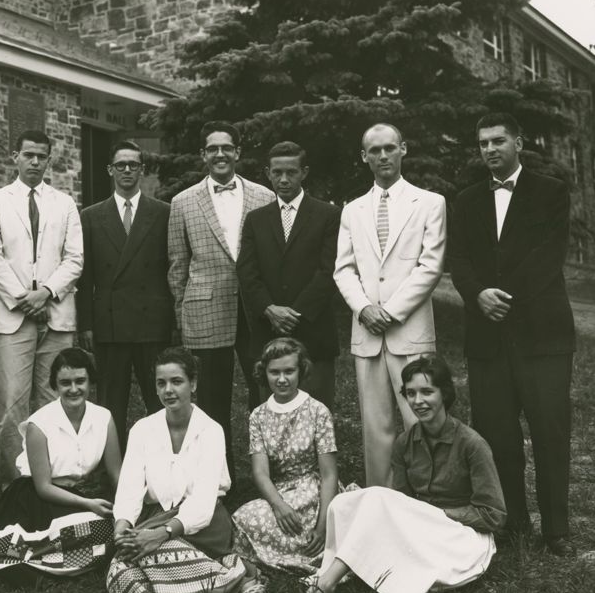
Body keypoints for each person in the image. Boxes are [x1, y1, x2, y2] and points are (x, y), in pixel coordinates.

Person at [448, 113, 575, 556]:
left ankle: (556, 530)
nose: (489, 149)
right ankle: (514, 523)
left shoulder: (551, 192)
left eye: (498, 140)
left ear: (518, 142)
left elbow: (548, 256)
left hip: (542, 336)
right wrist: (478, 294)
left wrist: (505, 296)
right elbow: (458, 258)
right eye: (482, 143)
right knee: (497, 435)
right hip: (487, 339)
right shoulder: (464, 201)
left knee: (550, 432)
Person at [296, 356, 506, 593]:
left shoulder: (472, 444)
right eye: (411, 393)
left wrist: (435, 514)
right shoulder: (404, 444)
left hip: (461, 536)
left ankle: (325, 583)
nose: (418, 401)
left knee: (376, 500)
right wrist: (410, 514)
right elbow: (402, 503)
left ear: (445, 394)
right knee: (342, 503)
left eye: (427, 392)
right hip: (421, 529)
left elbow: (493, 515)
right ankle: (340, 572)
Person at [107, 347, 265, 593]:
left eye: (177, 381)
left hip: (203, 525)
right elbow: (129, 488)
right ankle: (220, 579)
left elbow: (203, 503)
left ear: (192, 384)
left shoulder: (211, 431)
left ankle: (239, 577)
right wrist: (123, 527)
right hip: (156, 515)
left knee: (155, 554)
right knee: (121, 565)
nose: (168, 390)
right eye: (161, 383)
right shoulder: (142, 430)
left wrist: (160, 534)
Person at [333, 122, 446, 488]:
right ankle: (381, 501)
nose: (383, 156)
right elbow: (343, 269)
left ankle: (428, 501)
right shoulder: (352, 210)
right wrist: (364, 308)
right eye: (375, 150)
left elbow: (430, 267)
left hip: (409, 331)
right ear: (363, 156)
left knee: (421, 419)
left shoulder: (429, 203)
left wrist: (391, 312)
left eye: (390, 148)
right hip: (367, 334)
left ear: (403, 149)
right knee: (375, 425)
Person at [167, 121, 274, 482]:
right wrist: (181, 314)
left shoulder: (264, 196)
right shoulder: (182, 202)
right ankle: (218, 481)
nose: (220, 154)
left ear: (238, 152)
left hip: (255, 311)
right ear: (203, 155)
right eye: (212, 148)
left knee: (264, 393)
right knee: (212, 402)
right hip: (204, 310)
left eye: (226, 147)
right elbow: (178, 264)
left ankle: (270, 474)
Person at [0, 129, 83, 489]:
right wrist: (25, 298)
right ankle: (17, 487)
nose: (35, 162)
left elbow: (75, 258)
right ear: (15, 157)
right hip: (12, 316)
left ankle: (59, 482)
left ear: (49, 159)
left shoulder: (64, 203)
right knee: (12, 406)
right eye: (29, 155)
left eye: (42, 156)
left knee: (57, 400)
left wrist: (47, 293)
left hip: (56, 315)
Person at [0, 348, 122, 579]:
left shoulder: (103, 418)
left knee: (111, 527)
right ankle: (34, 557)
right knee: (89, 528)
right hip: (37, 499)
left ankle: (62, 557)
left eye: (80, 381)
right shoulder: (38, 424)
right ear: (55, 386)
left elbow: (116, 474)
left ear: (91, 381)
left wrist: (129, 510)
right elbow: (43, 487)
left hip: (80, 494)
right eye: (65, 383)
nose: (73, 389)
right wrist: (89, 504)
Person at [76, 140, 172, 449]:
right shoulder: (91, 216)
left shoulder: (163, 213)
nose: (127, 170)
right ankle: (111, 473)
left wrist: (172, 322)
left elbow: (172, 270)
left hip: (152, 323)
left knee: (159, 400)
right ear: (110, 170)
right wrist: (86, 325)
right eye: (121, 165)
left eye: (133, 165)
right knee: (109, 405)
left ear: (142, 170)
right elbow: (84, 275)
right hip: (110, 323)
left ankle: (162, 467)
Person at [237, 141, 342, 409]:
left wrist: (295, 313)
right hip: (268, 332)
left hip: (314, 331)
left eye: (291, 172)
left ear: (304, 172)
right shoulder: (255, 219)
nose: (283, 179)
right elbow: (247, 272)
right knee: (272, 415)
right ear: (268, 173)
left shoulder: (328, 215)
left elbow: (330, 271)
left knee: (317, 415)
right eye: (277, 172)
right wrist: (270, 309)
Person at [232, 338, 338, 575]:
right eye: (274, 372)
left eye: (289, 371)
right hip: (280, 492)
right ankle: (296, 551)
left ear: (301, 371)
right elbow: (260, 472)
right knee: (245, 515)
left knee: (323, 520)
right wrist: (278, 506)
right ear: (264, 373)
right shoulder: (258, 416)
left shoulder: (318, 411)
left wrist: (323, 527)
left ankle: (312, 544)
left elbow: (329, 474)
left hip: (314, 492)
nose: (281, 379)